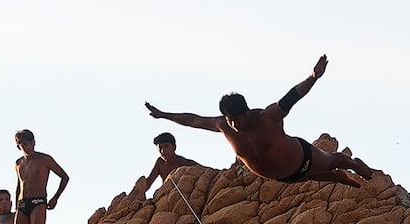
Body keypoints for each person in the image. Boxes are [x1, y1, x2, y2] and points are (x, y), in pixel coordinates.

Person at [145, 54, 374, 187]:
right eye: (229, 120)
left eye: (236, 119)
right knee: (326, 178)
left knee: (333, 161)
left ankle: (354, 164)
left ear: (246, 112)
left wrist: (313, 76)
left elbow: (293, 95)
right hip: (286, 177)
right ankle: (344, 176)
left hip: (302, 158)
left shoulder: (268, 117)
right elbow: (193, 120)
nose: (233, 124)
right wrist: (163, 114)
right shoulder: (223, 125)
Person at [13, 129, 70, 224]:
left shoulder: (45, 159)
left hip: (38, 201)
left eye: (27, 144)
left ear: (33, 143)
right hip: (22, 203)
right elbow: (19, 184)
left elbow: (64, 177)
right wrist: (16, 206)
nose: (26, 148)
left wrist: (56, 197)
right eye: (22, 145)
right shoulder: (18, 163)